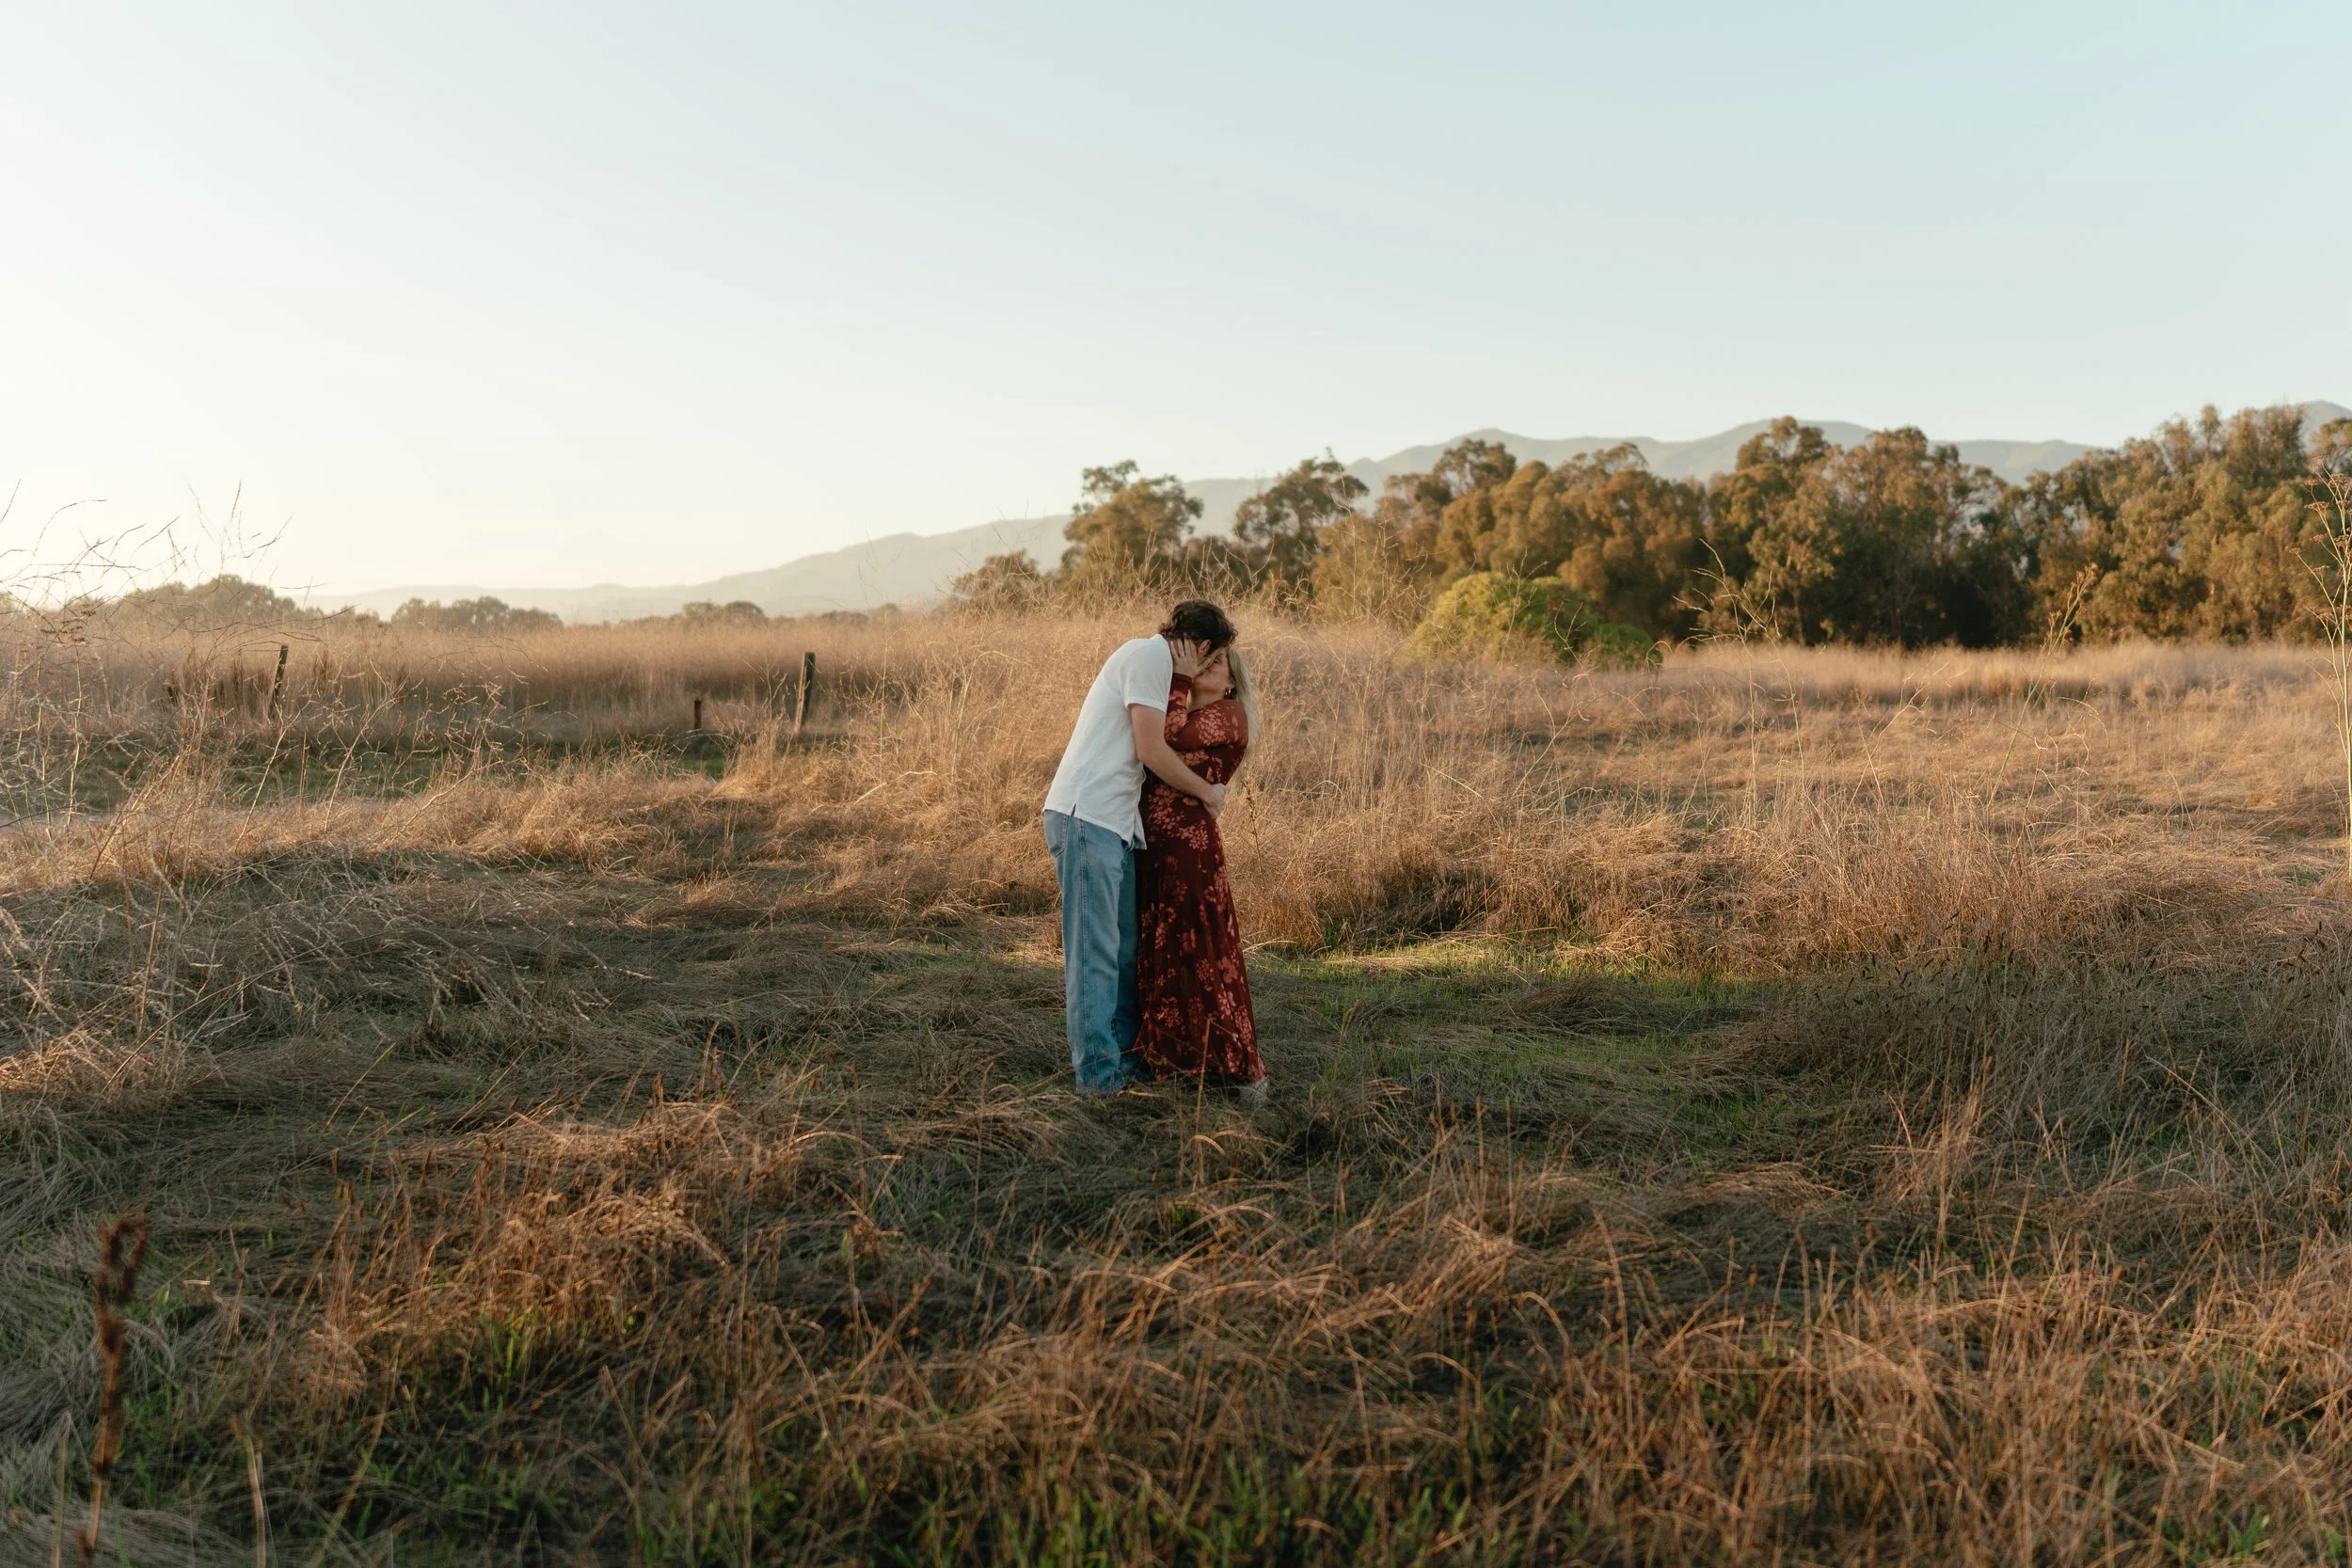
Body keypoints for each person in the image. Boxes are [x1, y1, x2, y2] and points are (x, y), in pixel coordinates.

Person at [1041, 601, 1235, 1095]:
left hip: (1114, 823)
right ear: (1202, 647)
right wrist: (1207, 791)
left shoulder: (1152, 665)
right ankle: (1097, 1079)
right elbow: (1152, 750)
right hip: (1087, 817)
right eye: (1212, 658)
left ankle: (1127, 1064)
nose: (1211, 668)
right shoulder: (1147, 659)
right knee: (1095, 955)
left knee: (1125, 953)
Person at [1135, 643, 1266, 1104]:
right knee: (1167, 949)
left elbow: (1166, 737)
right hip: (1157, 848)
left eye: (1219, 661)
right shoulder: (1192, 710)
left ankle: (1235, 1067)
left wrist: (1180, 678)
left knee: (1202, 950)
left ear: (1232, 679)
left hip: (1189, 848)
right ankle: (1175, 1064)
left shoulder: (1229, 714)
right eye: (1204, 657)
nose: (1210, 662)